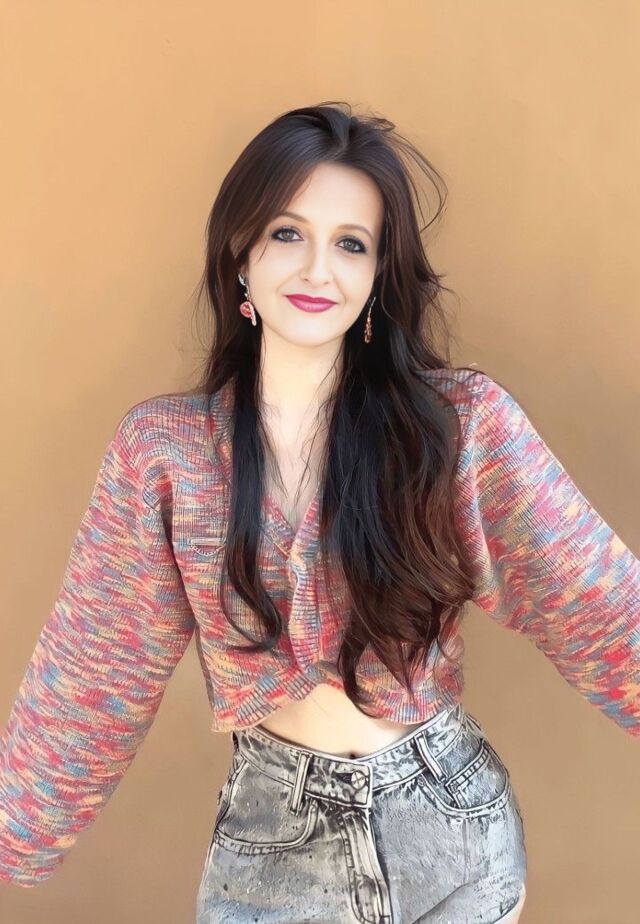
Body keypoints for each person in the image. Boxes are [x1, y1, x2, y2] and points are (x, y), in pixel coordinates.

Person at [1, 102, 637, 923]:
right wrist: (15, 833)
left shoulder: (457, 427)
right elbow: (95, 667)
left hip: (452, 827)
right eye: (287, 233)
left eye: (350, 244)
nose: (316, 270)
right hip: (272, 842)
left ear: (377, 276)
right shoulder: (166, 454)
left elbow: (597, 602)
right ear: (241, 253)